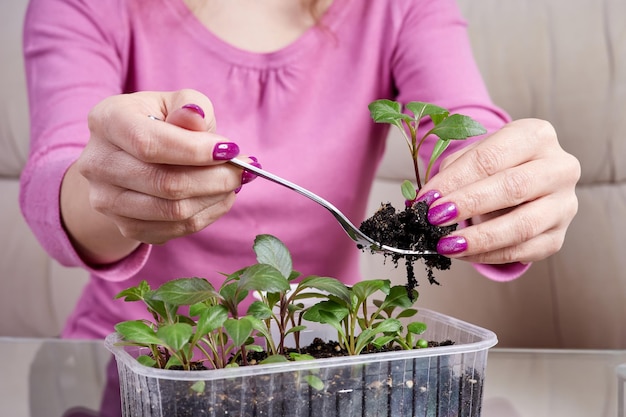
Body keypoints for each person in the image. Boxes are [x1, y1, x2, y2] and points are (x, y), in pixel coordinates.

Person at [20, 0, 580, 340]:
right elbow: (59, 170)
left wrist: (504, 183)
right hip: (138, 364)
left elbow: (459, 122)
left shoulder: (398, 7)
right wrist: (111, 181)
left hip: (319, 360)